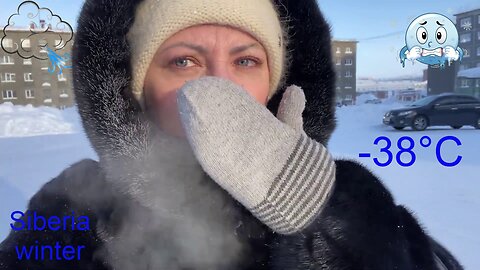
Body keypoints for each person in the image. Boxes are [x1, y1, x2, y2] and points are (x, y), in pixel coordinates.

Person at [0, 0, 463, 269]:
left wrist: (312, 212)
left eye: (246, 61)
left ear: (276, 84)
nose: (222, 88)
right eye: (184, 61)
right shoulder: (74, 205)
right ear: (135, 91)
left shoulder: (344, 197)